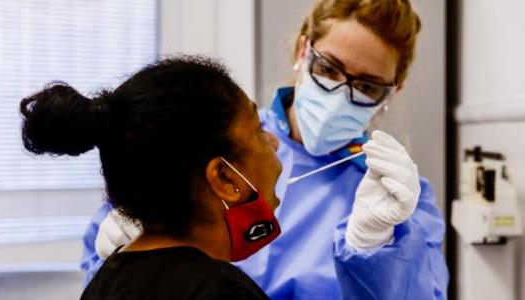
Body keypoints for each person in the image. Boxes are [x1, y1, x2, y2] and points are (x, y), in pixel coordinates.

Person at [83, 0, 450, 299]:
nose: (341, 94)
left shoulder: (393, 196)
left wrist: (376, 250)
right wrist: (123, 257)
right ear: (303, 50)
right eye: (330, 69)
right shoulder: (216, 140)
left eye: (368, 87)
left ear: (394, 90)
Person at [20, 56, 283, 299]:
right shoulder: (222, 293)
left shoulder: (104, 285)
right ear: (224, 178)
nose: (275, 144)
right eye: (259, 130)